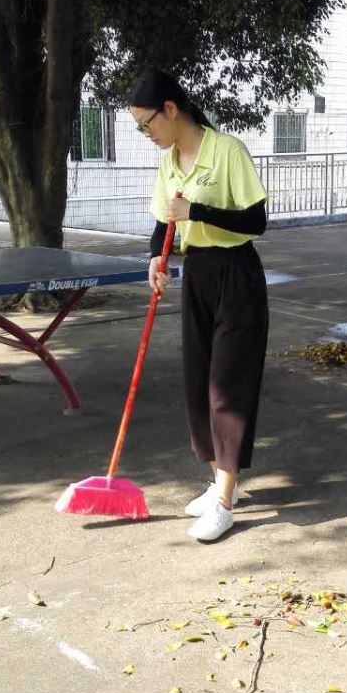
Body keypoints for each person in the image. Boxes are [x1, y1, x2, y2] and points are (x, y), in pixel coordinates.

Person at [127, 68, 269, 542]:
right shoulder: (169, 162)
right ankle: (219, 483)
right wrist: (156, 257)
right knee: (199, 386)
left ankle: (225, 502)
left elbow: (257, 220)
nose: (146, 134)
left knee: (228, 388)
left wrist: (197, 211)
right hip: (198, 276)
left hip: (237, 275)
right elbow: (162, 221)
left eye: (146, 124)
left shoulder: (226, 150)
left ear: (170, 109)